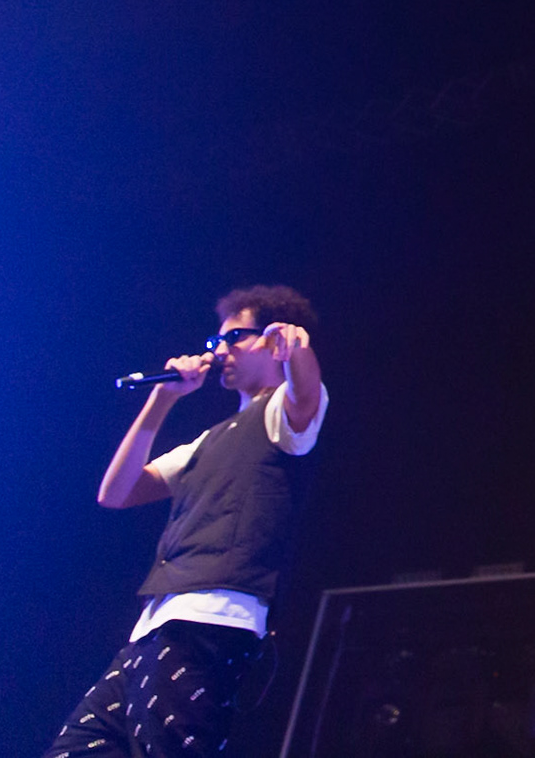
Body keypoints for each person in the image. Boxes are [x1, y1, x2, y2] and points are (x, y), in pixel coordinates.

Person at [41, 285, 328, 758]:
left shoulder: (282, 415)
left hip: (210, 622)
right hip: (154, 627)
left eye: (236, 337)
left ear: (271, 343)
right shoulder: (206, 441)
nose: (219, 351)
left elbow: (306, 393)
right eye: (216, 341)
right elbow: (116, 492)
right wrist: (162, 399)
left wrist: (298, 347)